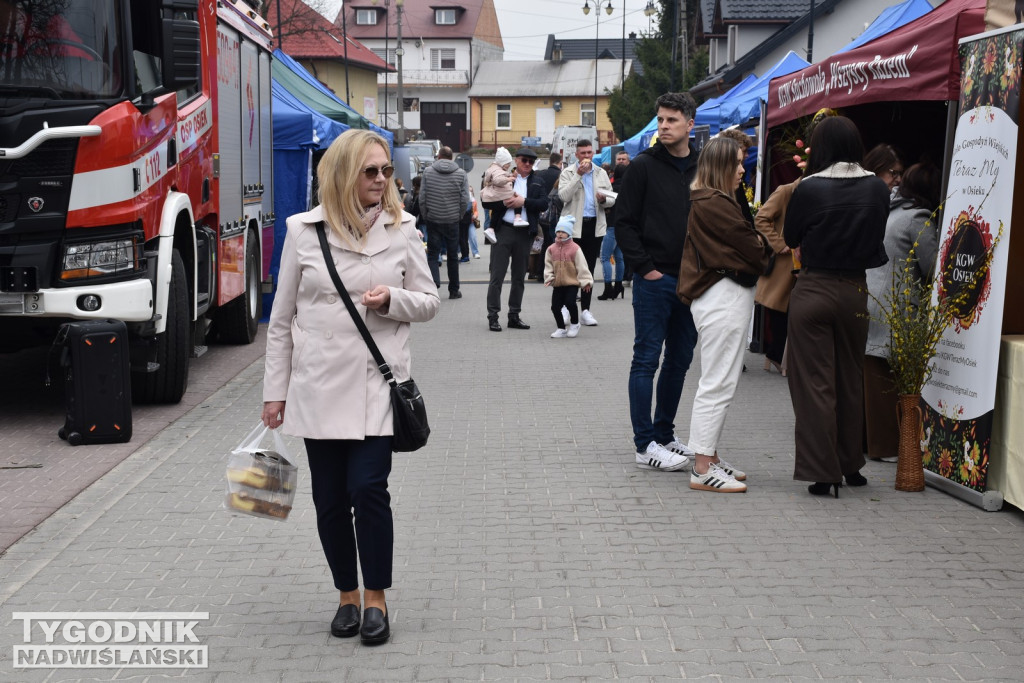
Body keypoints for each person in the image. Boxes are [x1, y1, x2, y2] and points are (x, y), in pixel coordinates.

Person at [261, 129, 440, 644]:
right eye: (371, 171)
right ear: (342, 173)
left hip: (377, 385)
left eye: (386, 170)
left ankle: (377, 598)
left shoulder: (402, 228)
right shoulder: (302, 230)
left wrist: (393, 301)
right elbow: (280, 320)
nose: (382, 180)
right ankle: (346, 595)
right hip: (318, 386)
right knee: (331, 501)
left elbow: (428, 301)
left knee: (368, 489)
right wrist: (275, 392)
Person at [783, 116, 890, 497]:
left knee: (814, 384)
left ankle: (822, 472)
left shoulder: (808, 188)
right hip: (855, 289)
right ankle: (851, 466)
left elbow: (790, 236)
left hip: (814, 286)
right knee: (849, 378)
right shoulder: (878, 187)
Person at [677, 136, 772, 493]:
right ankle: (702, 467)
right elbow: (755, 250)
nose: (742, 169)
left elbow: (754, 245)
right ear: (720, 167)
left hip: (724, 296)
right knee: (717, 383)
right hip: (723, 297)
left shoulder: (715, 200)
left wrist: (758, 245)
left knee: (720, 381)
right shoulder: (714, 202)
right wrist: (759, 247)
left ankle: (709, 457)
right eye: (736, 163)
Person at [616, 91, 701, 472]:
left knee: (680, 360)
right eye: (661, 120)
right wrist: (644, 268)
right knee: (646, 360)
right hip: (655, 279)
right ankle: (643, 444)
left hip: (694, 280)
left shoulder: (702, 165)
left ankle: (665, 434)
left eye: (671, 120)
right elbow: (624, 222)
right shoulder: (642, 167)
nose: (663, 126)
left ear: (690, 124)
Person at [864, 161, 941, 461]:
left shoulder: (891, 210)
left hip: (874, 299)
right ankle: (887, 447)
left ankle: (871, 444)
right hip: (896, 306)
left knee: (873, 376)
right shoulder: (918, 218)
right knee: (888, 379)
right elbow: (934, 267)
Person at [485, 147, 548, 331]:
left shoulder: (538, 181)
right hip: (503, 230)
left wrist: (524, 202)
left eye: (531, 161)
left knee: (519, 277)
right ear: (516, 160)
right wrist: (504, 202)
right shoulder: (502, 177)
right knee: (497, 276)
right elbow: (486, 201)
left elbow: (544, 203)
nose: (527, 164)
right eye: (524, 160)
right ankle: (493, 316)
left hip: (525, 232)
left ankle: (514, 315)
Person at [557, 139, 614, 326]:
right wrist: (578, 176)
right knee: (570, 269)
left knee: (588, 270)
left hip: (594, 225)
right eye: (583, 153)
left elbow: (612, 198)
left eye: (589, 153)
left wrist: (604, 199)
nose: (587, 156)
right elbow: (563, 196)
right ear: (576, 155)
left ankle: (586, 310)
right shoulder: (568, 172)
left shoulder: (601, 173)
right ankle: (567, 307)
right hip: (574, 227)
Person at [754, 178, 800, 375]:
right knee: (781, 310)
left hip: (800, 262)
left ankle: (777, 354)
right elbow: (761, 218)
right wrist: (778, 243)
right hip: (783, 264)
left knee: (792, 311)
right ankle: (776, 354)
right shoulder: (787, 190)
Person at [420, 146, 470, 300]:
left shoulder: (428, 172)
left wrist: (426, 215)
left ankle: (433, 284)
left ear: (439, 156)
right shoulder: (461, 174)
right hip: (452, 220)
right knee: (453, 255)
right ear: (451, 157)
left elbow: (422, 197)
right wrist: (459, 215)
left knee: (433, 254)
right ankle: (454, 290)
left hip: (433, 219)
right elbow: (465, 199)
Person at [544, 214, 593, 338]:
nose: (560, 234)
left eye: (563, 231)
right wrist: (549, 278)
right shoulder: (551, 249)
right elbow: (548, 266)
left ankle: (575, 323)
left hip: (571, 283)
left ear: (569, 233)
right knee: (555, 307)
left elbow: (582, 266)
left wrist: (586, 281)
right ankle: (561, 328)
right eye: (558, 231)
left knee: (570, 302)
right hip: (558, 284)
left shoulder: (575, 249)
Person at [597, 161, 628, 300]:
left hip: (611, 225)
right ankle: (619, 285)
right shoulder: (631, 188)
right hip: (624, 226)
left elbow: (606, 205)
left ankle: (608, 288)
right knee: (619, 258)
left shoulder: (612, 188)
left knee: (605, 258)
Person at [480, 147, 528, 227]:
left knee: (496, 212)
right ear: (502, 162)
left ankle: (491, 228)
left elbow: (502, 176)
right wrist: (509, 179)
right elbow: (497, 179)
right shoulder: (497, 170)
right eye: (508, 163)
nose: (509, 165)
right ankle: (517, 217)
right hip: (498, 196)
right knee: (517, 198)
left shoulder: (495, 168)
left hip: (493, 197)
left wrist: (511, 175)